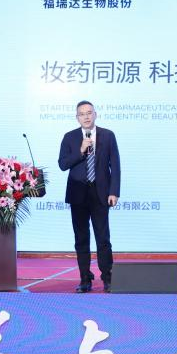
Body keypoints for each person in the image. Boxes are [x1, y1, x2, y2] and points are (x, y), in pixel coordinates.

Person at [58, 100, 120, 292]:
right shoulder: (70, 137)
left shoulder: (108, 135)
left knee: (103, 238)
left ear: (95, 115)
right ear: (77, 117)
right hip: (78, 194)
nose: (86, 116)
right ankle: (85, 278)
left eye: (89, 113)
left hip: (100, 193)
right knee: (81, 238)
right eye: (82, 114)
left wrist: (114, 191)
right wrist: (81, 150)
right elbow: (63, 164)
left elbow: (115, 165)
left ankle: (108, 277)